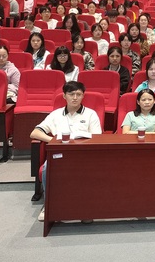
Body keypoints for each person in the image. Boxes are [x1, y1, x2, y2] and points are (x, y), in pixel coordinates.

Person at [30, 81, 102, 221]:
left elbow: (97, 138)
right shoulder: (56, 114)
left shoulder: (91, 114)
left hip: (82, 154)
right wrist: (54, 140)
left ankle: (85, 208)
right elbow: (35, 133)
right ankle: (48, 204)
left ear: (83, 96)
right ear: (64, 96)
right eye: (71, 94)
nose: (75, 97)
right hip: (60, 154)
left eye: (78, 94)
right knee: (47, 168)